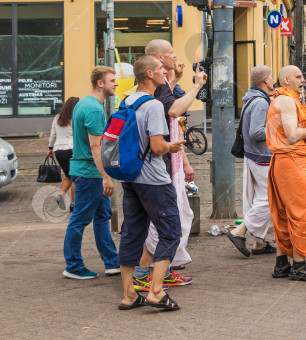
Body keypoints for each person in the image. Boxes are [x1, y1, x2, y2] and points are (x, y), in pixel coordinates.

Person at [132, 39, 207, 290]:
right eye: (172, 54)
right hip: (160, 166)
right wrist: (196, 88)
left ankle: (164, 269)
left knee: (174, 218)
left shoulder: (153, 87)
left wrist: (175, 79)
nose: (175, 57)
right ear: (160, 58)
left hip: (159, 165)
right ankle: (144, 275)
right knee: (168, 221)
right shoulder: (158, 87)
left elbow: (167, 108)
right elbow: (173, 111)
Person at [117, 56, 185, 312]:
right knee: (170, 231)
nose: (164, 73)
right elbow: (157, 147)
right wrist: (173, 146)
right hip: (154, 180)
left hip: (130, 177)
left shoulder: (127, 100)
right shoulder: (154, 105)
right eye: (160, 70)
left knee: (132, 233)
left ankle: (129, 295)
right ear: (149, 74)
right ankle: (156, 291)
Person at [267, 65, 306, 281]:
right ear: (286, 80)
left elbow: (290, 130)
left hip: (286, 162)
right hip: (292, 162)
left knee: (286, 213)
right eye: (298, 76)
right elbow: (292, 135)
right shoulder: (286, 100)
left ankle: (282, 263)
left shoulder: (286, 99)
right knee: (300, 213)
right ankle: (299, 265)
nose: (303, 79)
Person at [62, 67, 120, 280]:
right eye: (112, 80)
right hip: (90, 174)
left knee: (102, 217)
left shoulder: (83, 104)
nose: (116, 84)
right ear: (100, 83)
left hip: (86, 171)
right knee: (79, 219)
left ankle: (112, 262)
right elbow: (96, 147)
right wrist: (106, 176)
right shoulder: (94, 109)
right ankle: (73, 266)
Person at [226, 65, 277, 257]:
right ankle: (239, 232)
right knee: (269, 199)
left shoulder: (252, 99)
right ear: (265, 80)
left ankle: (260, 243)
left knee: (259, 199)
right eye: (271, 76)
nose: (273, 79)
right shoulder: (260, 102)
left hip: (254, 155)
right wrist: (279, 130)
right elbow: (256, 132)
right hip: (262, 156)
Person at [48, 96, 79, 212]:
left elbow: (53, 135)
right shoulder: (75, 118)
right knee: (75, 177)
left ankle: (61, 194)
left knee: (68, 175)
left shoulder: (57, 117)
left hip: (59, 150)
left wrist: (50, 148)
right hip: (72, 148)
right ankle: (73, 204)